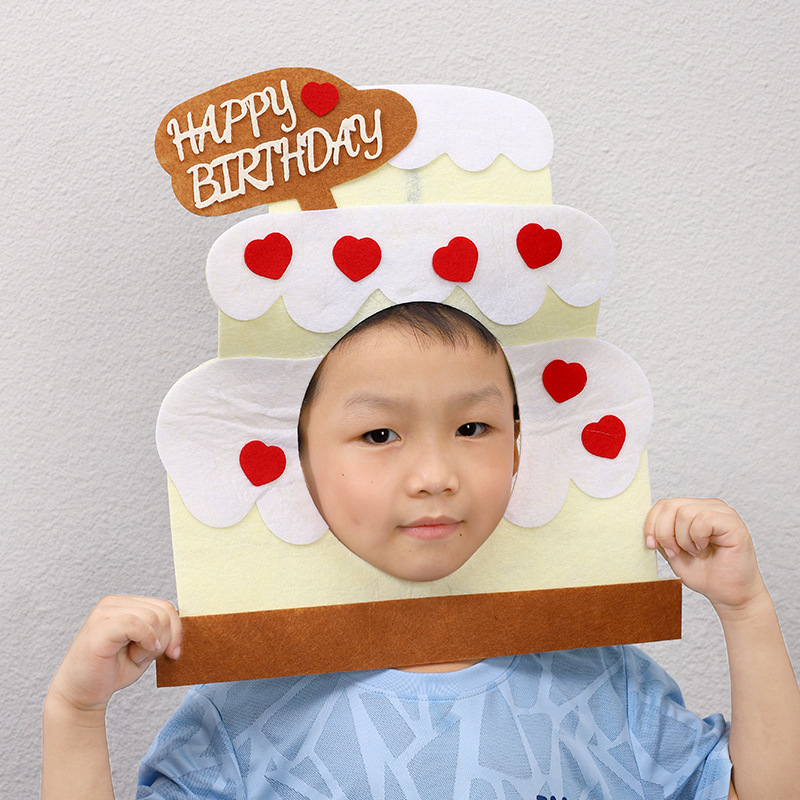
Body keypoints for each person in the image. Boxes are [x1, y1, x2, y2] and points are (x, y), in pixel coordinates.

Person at [42, 303, 800, 799]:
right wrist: (75, 714)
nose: (435, 474)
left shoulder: (607, 686)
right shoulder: (242, 716)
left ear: (519, 447)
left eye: (473, 429)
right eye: (380, 434)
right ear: (296, 462)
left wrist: (746, 611)